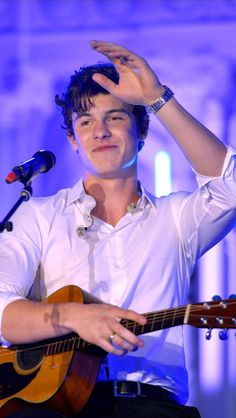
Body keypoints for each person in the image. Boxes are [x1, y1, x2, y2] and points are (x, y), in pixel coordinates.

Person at [0, 40, 235, 418]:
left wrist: (157, 98)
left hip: (151, 405)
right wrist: (77, 317)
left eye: (116, 117)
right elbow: (2, 309)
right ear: (73, 141)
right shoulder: (37, 217)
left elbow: (230, 188)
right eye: (87, 122)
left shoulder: (175, 218)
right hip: (52, 405)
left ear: (141, 132)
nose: (101, 131)